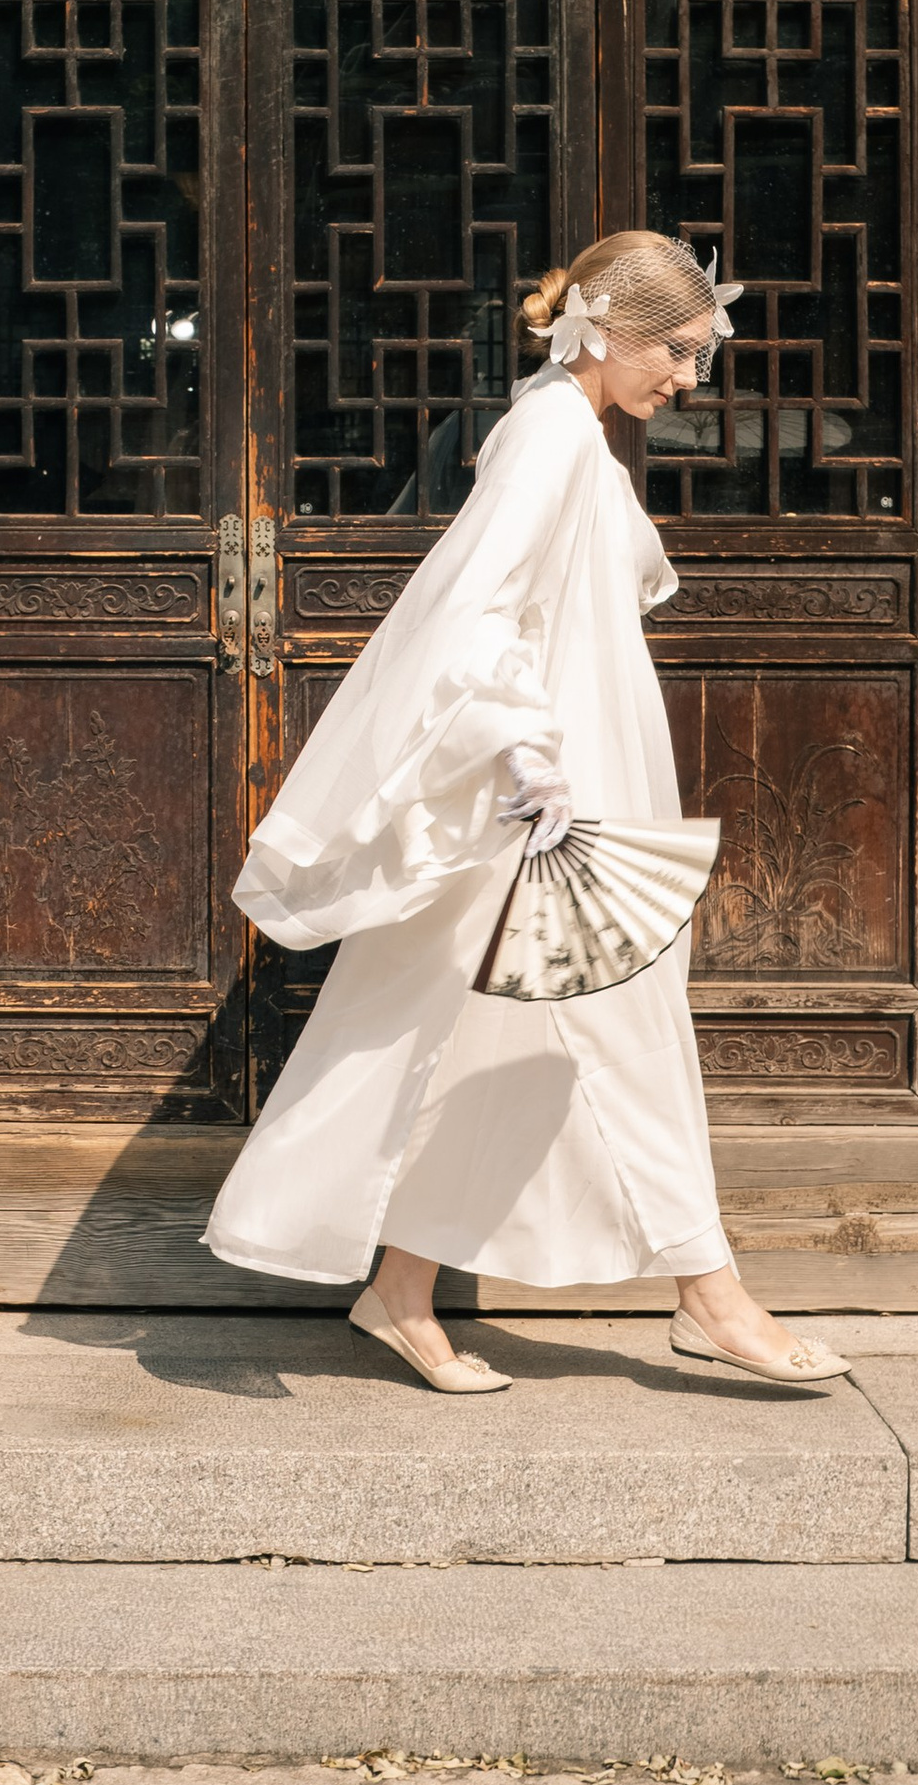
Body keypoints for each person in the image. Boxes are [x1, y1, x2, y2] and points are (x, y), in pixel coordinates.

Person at [204, 228, 849, 1396]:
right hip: (552, 795)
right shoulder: (548, 437)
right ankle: (712, 1299)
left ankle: (400, 1291)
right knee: (619, 1030)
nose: (688, 379)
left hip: (578, 779)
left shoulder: (571, 433)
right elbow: (474, 609)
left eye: (698, 355)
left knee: (488, 1038)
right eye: (677, 351)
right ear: (605, 331)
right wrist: (526, 761)